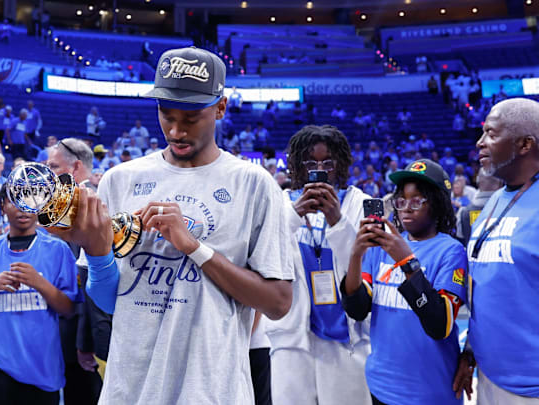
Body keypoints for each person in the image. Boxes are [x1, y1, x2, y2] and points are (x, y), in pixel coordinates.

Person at [51, 46, 294, 405]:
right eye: (166, 114)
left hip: (212, 390)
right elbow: (113, 301)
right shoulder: (121, 180)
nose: (176, 130)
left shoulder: (253, 185)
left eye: (191, 117)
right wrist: (98, 252)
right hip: (129, 389)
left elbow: (277, 303)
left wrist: (194, 246)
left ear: (221, 107)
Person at [342, 159, 467, 405]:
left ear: (438, 204)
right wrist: (356, 255)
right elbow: (357, 309)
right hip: (382, 384)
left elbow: (439, 325)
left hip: (431, 391)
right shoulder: (380, 248)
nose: (407, 208)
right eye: (401, 201)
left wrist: (406, 261)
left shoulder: (451, 251)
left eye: (417, 200)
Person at [267, 125, 372, 405]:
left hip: (345, 335)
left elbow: (365, 262)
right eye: (311, 162)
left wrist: (337, 220)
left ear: (341, 163)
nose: (320, 169)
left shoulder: (360, 203)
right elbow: (263, 252)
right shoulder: (281, 203)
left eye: (328, 162)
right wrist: (294, 213)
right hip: (292, 335)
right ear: (298, 165)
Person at [0, 184, 82, 405]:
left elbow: (70, 310)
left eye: (30, 201)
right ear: (2, 206)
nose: (22, 208)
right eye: (14, 201)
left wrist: (40, 283)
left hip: (42, 366)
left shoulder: (58, 250)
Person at [455, 98, 539, 403]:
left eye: (491, 134)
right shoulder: (497, 199)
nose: (480, 143)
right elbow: (486, 287)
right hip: (489, 376)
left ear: (525, 144)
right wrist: (471, 350)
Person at [46, 137, 104, 404]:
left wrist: (84, 342)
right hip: (65, 328)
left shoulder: (90, 209)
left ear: (75, 167)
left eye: (54, 167)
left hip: (82, 333)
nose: (48, 175)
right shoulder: (60, 208)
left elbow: (89, 282)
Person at [455, 171, 503, 246]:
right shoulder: (510, 209)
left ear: (477, 181)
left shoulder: (463, 212)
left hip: (472, 256)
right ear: (501, 183)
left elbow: (460, 238)